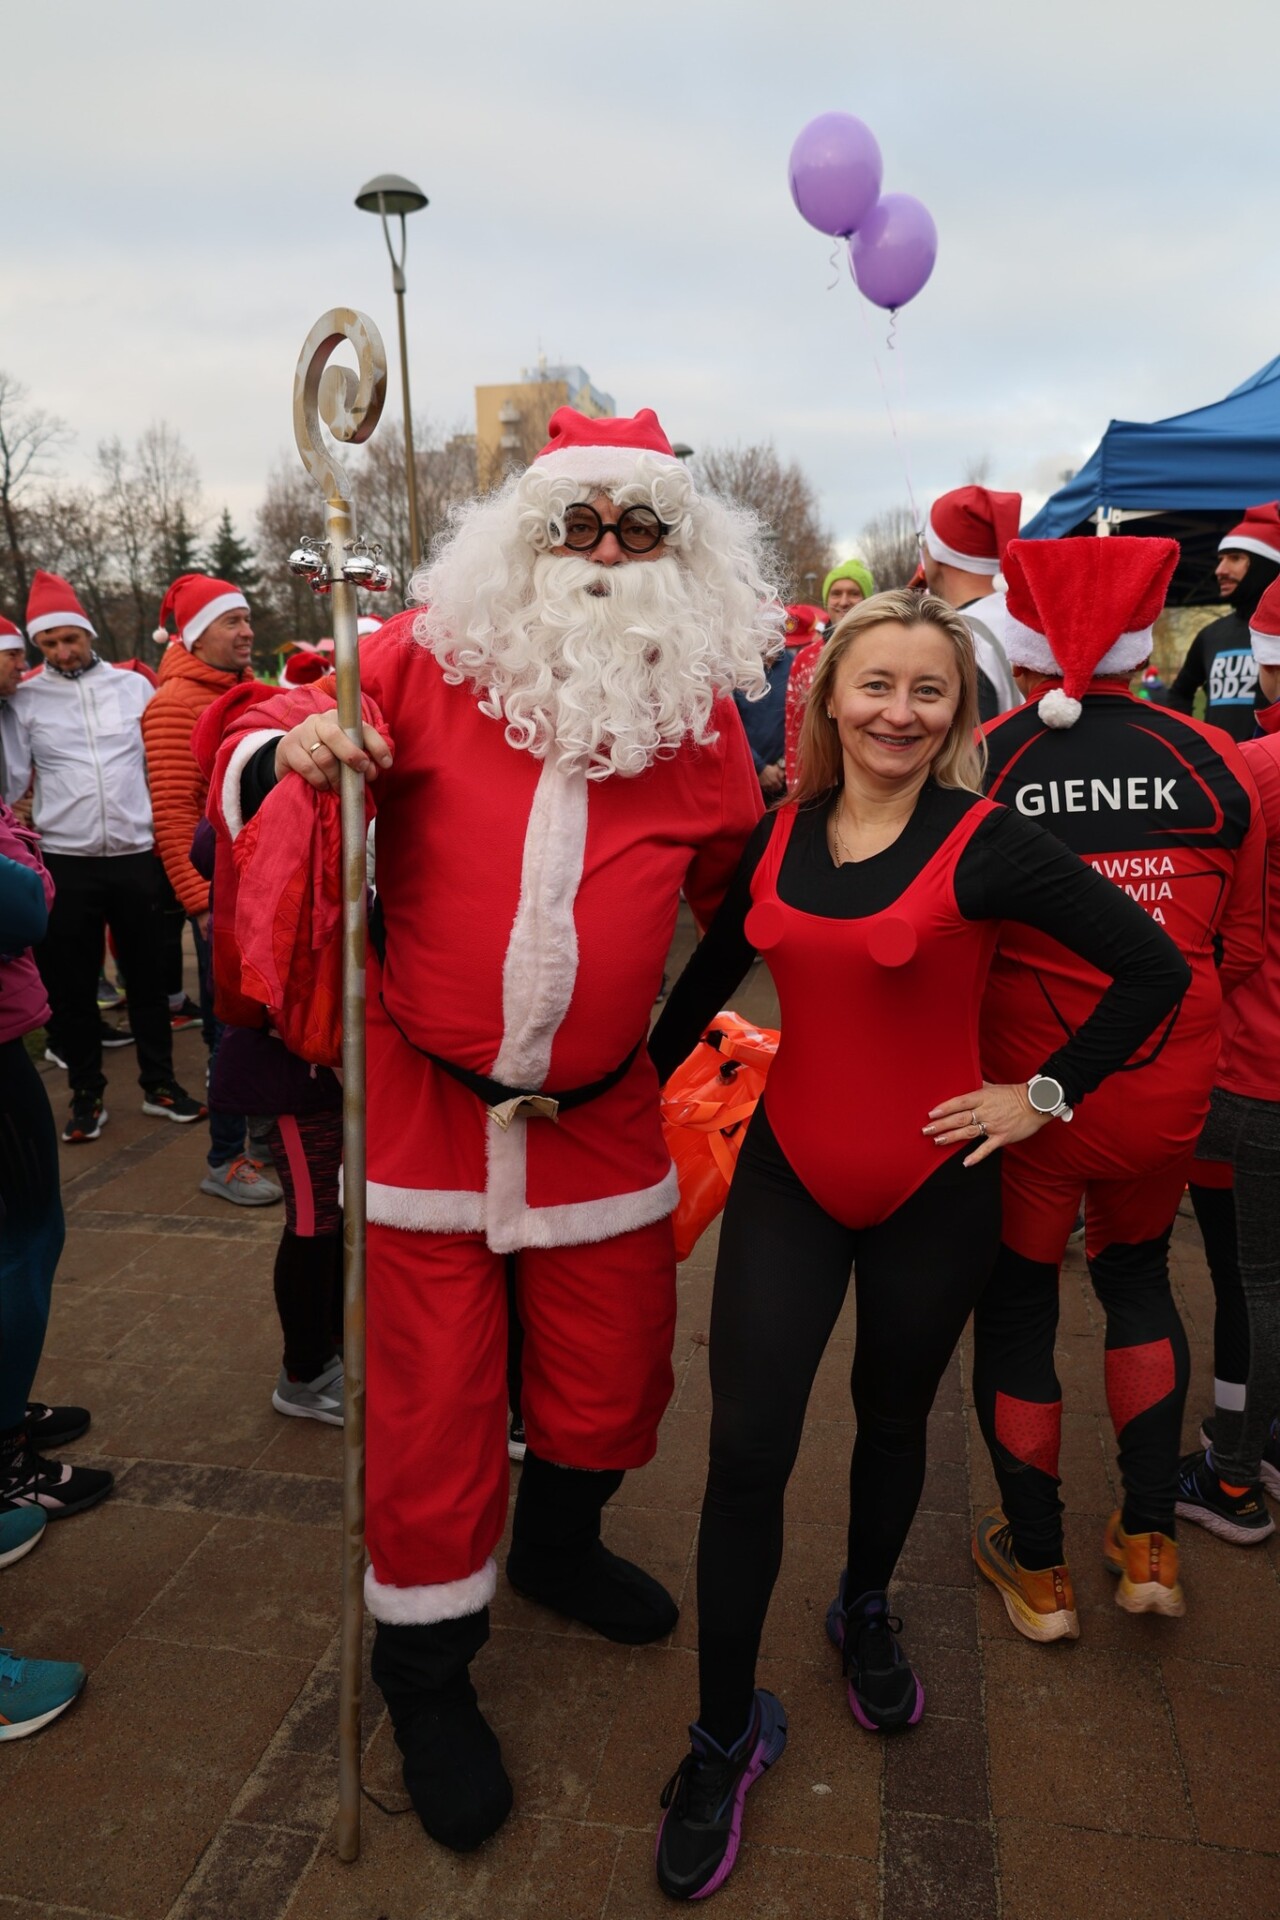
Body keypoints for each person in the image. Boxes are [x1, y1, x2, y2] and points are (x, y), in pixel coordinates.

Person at [207, 406, 774, 1854]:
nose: (606, 554)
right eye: (577, 524)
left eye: (638, 529)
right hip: (424, 1112)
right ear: (522, 538)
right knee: (433, 1408)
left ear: (682, 549)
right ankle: (426, 1672)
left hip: (600, 1121)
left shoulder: (697, 711)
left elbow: (741, 890)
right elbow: (256, 750)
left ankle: (559, 1551)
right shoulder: (418, 655)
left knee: (612, 1371)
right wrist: (295, 751)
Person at [645, 587, 1188, 1902]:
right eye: (875, 685)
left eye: (926, 690)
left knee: (894, 1424)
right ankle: (721, 1737)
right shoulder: (776, 836)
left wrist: (1042, 1094)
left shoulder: (986, 841)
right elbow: (701, 986)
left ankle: (867, 1605)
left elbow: (1154, 971)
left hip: (933, 1191)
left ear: (957, 712)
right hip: (789, 1179)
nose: (898, 712)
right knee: (746, 1453)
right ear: (830, 696)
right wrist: (600, 1098)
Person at [970, 537, 1265, 1642]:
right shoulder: (1213, 755)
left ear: (1023, 649)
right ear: (1145, 649)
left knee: (1019, 1304)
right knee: (1137, 1280)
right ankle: (1148, 1546)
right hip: (1166, 1085)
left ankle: (1038, 1565)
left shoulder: (986, 756)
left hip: (1027, 1091)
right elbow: (1240, 950)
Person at [2, 571, 205, 1143]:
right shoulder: (27, 698)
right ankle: (86, 1093)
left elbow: (158, 760)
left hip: (135, 854)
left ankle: (160, 1084)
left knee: (147, 979)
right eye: (49, 643)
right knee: (72, 987)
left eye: (70, 638)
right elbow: (12, 778)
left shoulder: (132, 686)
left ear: (88, 633)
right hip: (66, 858)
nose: (62, 652)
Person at [1177, 573, 1280, 1544]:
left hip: (1252, 1067)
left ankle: (1234, 1476)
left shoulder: (1253, 770)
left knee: (1251, 1276)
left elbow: (1220, 931)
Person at [142, 573, 281, 1208]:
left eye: (247, 618)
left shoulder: (241, 691)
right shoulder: (175, 703)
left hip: (261, 885)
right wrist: (201, 901)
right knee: (230, 1028)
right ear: (196, 636)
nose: (247, 631)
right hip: (221, 894)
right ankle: (226, 1158)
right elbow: (174, 812)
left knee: (264, 1018)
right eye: (232, 622)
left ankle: (264, 1137)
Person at [1166, 501, 1280, 737]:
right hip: (1219, 761)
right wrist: (1190, 741)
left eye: (1235, 558)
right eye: (1220, 559)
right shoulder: (1211, 634)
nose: (1220, 570)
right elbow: (1179, 693)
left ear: (1266, 566)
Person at [920, 484, 1022, 718]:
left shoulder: (954, 635)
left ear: (938, 553)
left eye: (924, 542)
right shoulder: (1034, 618)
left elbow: (970, 738)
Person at [784, 563, 876, 785]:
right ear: (827, 600)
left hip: (874, 780)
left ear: (867, 599)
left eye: (854, 593)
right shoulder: (805, 659)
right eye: (836, 593)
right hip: (820, 781)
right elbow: (795, 728)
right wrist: (795, 786)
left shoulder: (884, 652)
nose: (843, 601)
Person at [733, 619, 791, 797]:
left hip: (786, 778)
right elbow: (730, 726)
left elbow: (803, 721)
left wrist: (782, 764)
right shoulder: (736, 668)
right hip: (743, 776)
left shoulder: (794, 664)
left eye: (776, 625)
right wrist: (759, 767)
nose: (770, 633)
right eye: (764, 625)